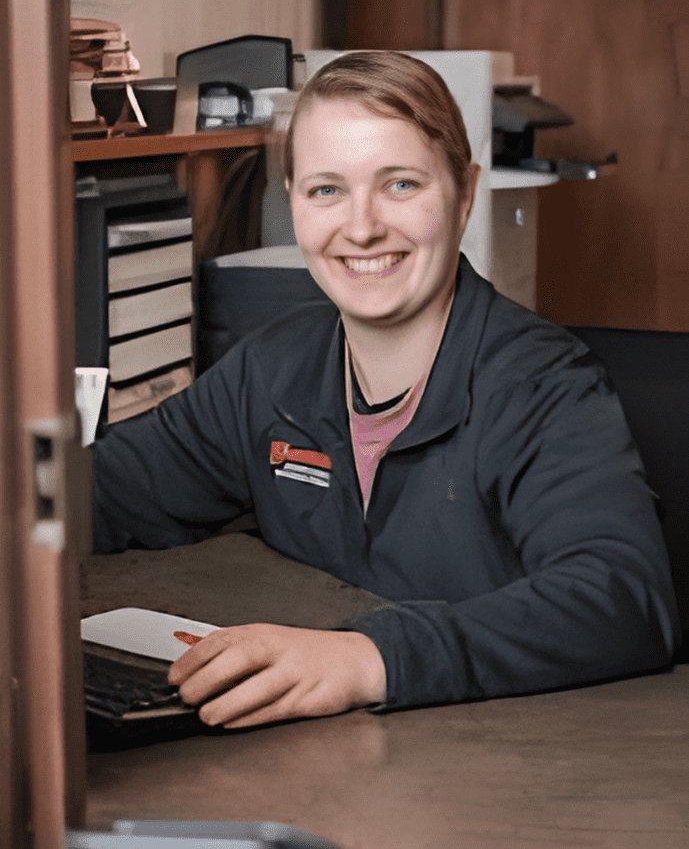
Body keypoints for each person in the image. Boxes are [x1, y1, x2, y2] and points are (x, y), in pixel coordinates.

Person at [92, 51, 680, 730]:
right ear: (293, 201)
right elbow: (101, 492)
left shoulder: (540, 385)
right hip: (338, 758)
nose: (362, 225)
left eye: (400, 185)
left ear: (464, 194)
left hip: (516, 762)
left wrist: (365, 659)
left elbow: (622, 599)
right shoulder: (271, 368)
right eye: (326, 190)